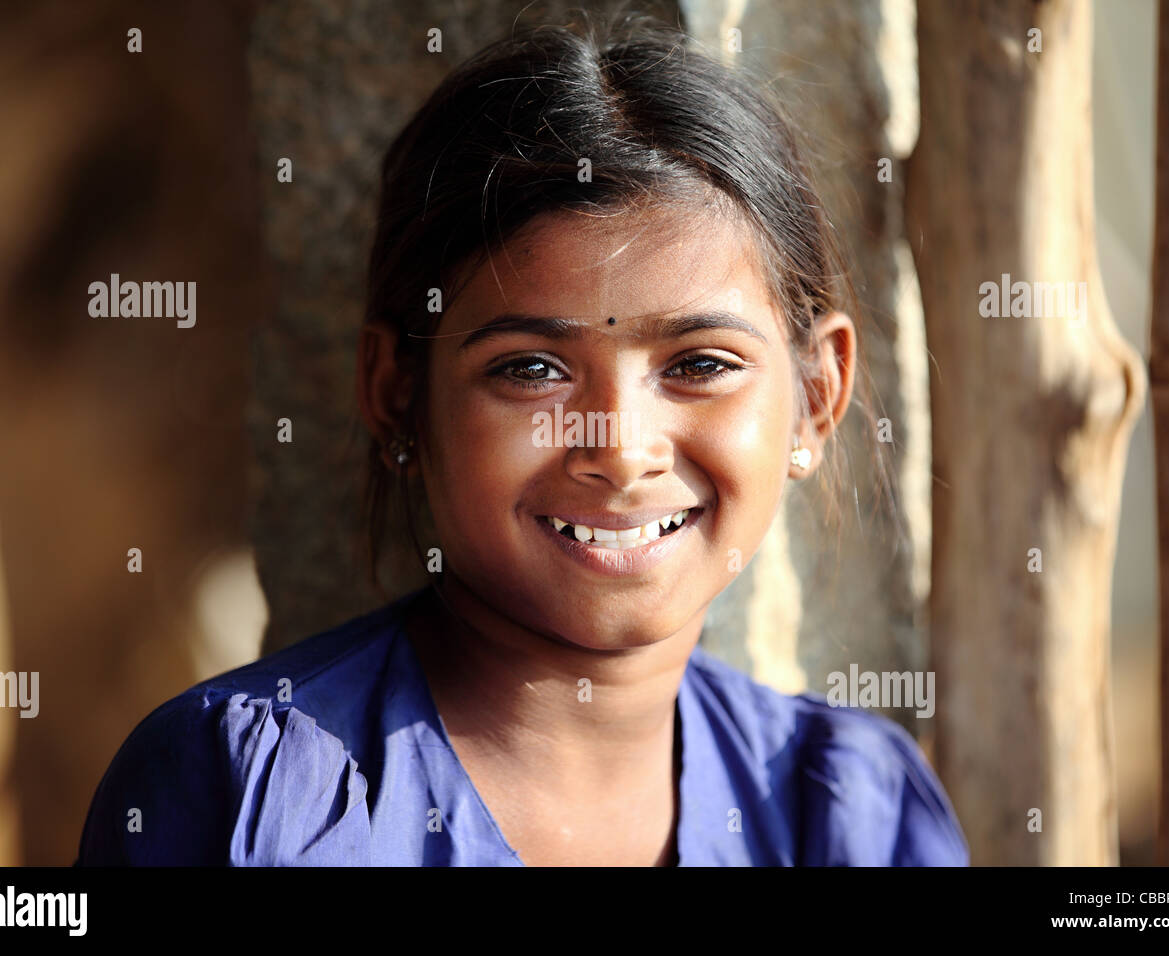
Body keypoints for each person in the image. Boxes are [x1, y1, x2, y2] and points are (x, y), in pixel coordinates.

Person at [77, 13, 968, 867]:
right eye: (532, 369)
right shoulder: (261, 802)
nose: (619, 448)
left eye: (699, 364)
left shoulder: (851, 816)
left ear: (818, 395)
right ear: (397, 393)